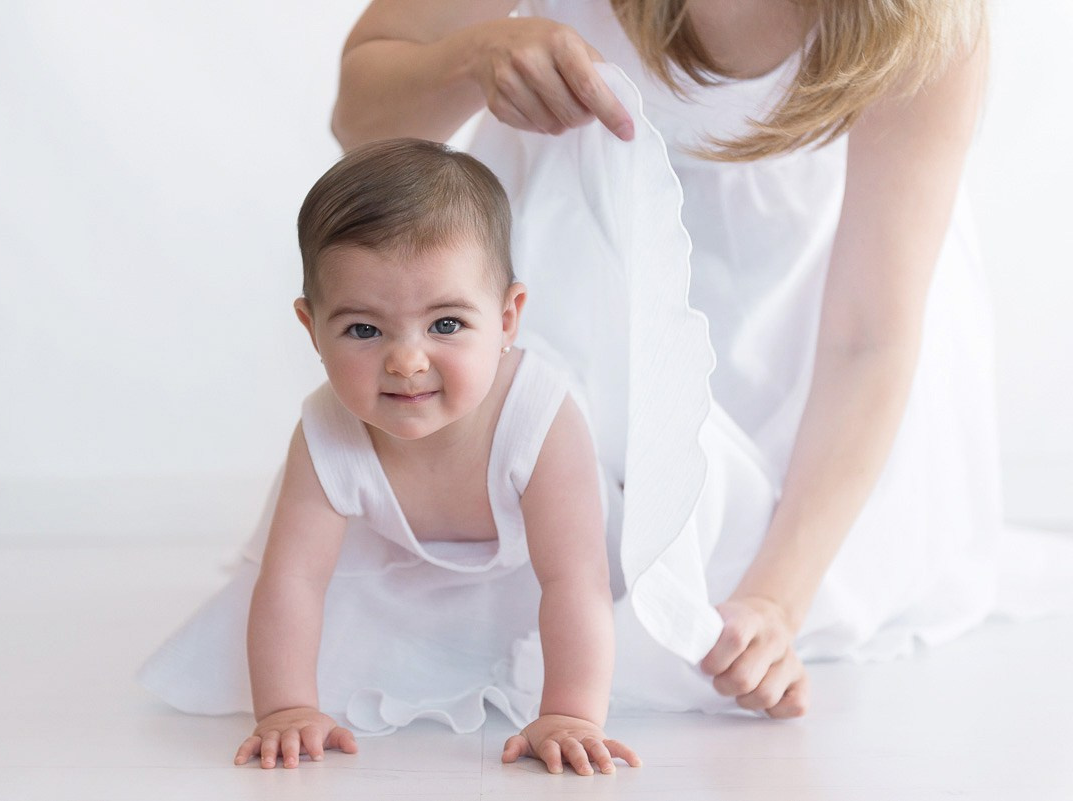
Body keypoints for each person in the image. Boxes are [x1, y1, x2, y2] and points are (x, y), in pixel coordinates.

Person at [329, 0, 999, 718]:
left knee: (707, 595)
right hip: (572, 306)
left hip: (807, 370)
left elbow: (868, 335)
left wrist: (777, 596)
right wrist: (473, 57)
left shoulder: (930, 21)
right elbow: (359, 121)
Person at [141, 138, 641, 775]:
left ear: (509, 317)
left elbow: (574, 579)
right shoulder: (328, 428)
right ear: (312, 328)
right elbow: (293, 579)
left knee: (617, 613)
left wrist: (571, 712)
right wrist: (286, 708)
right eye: (364, 330)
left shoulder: (540, 417)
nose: (407, 361)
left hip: (550, 569)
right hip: (408, 568)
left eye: (447, 324)